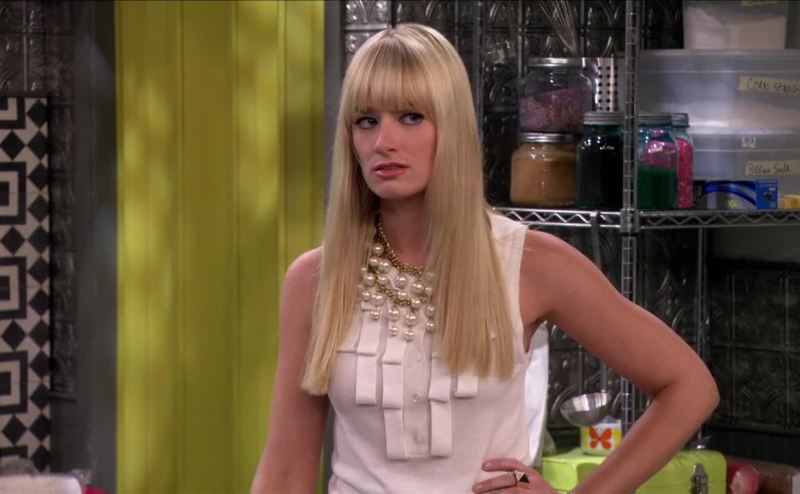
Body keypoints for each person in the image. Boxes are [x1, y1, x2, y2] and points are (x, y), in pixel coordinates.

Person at [250, 23, 719, 494]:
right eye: (366, 121)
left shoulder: (530, 262)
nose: (383, 141)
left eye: (411, 117)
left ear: (451, 127)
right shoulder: (315, 279)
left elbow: (689, 386)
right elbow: (285, 470)